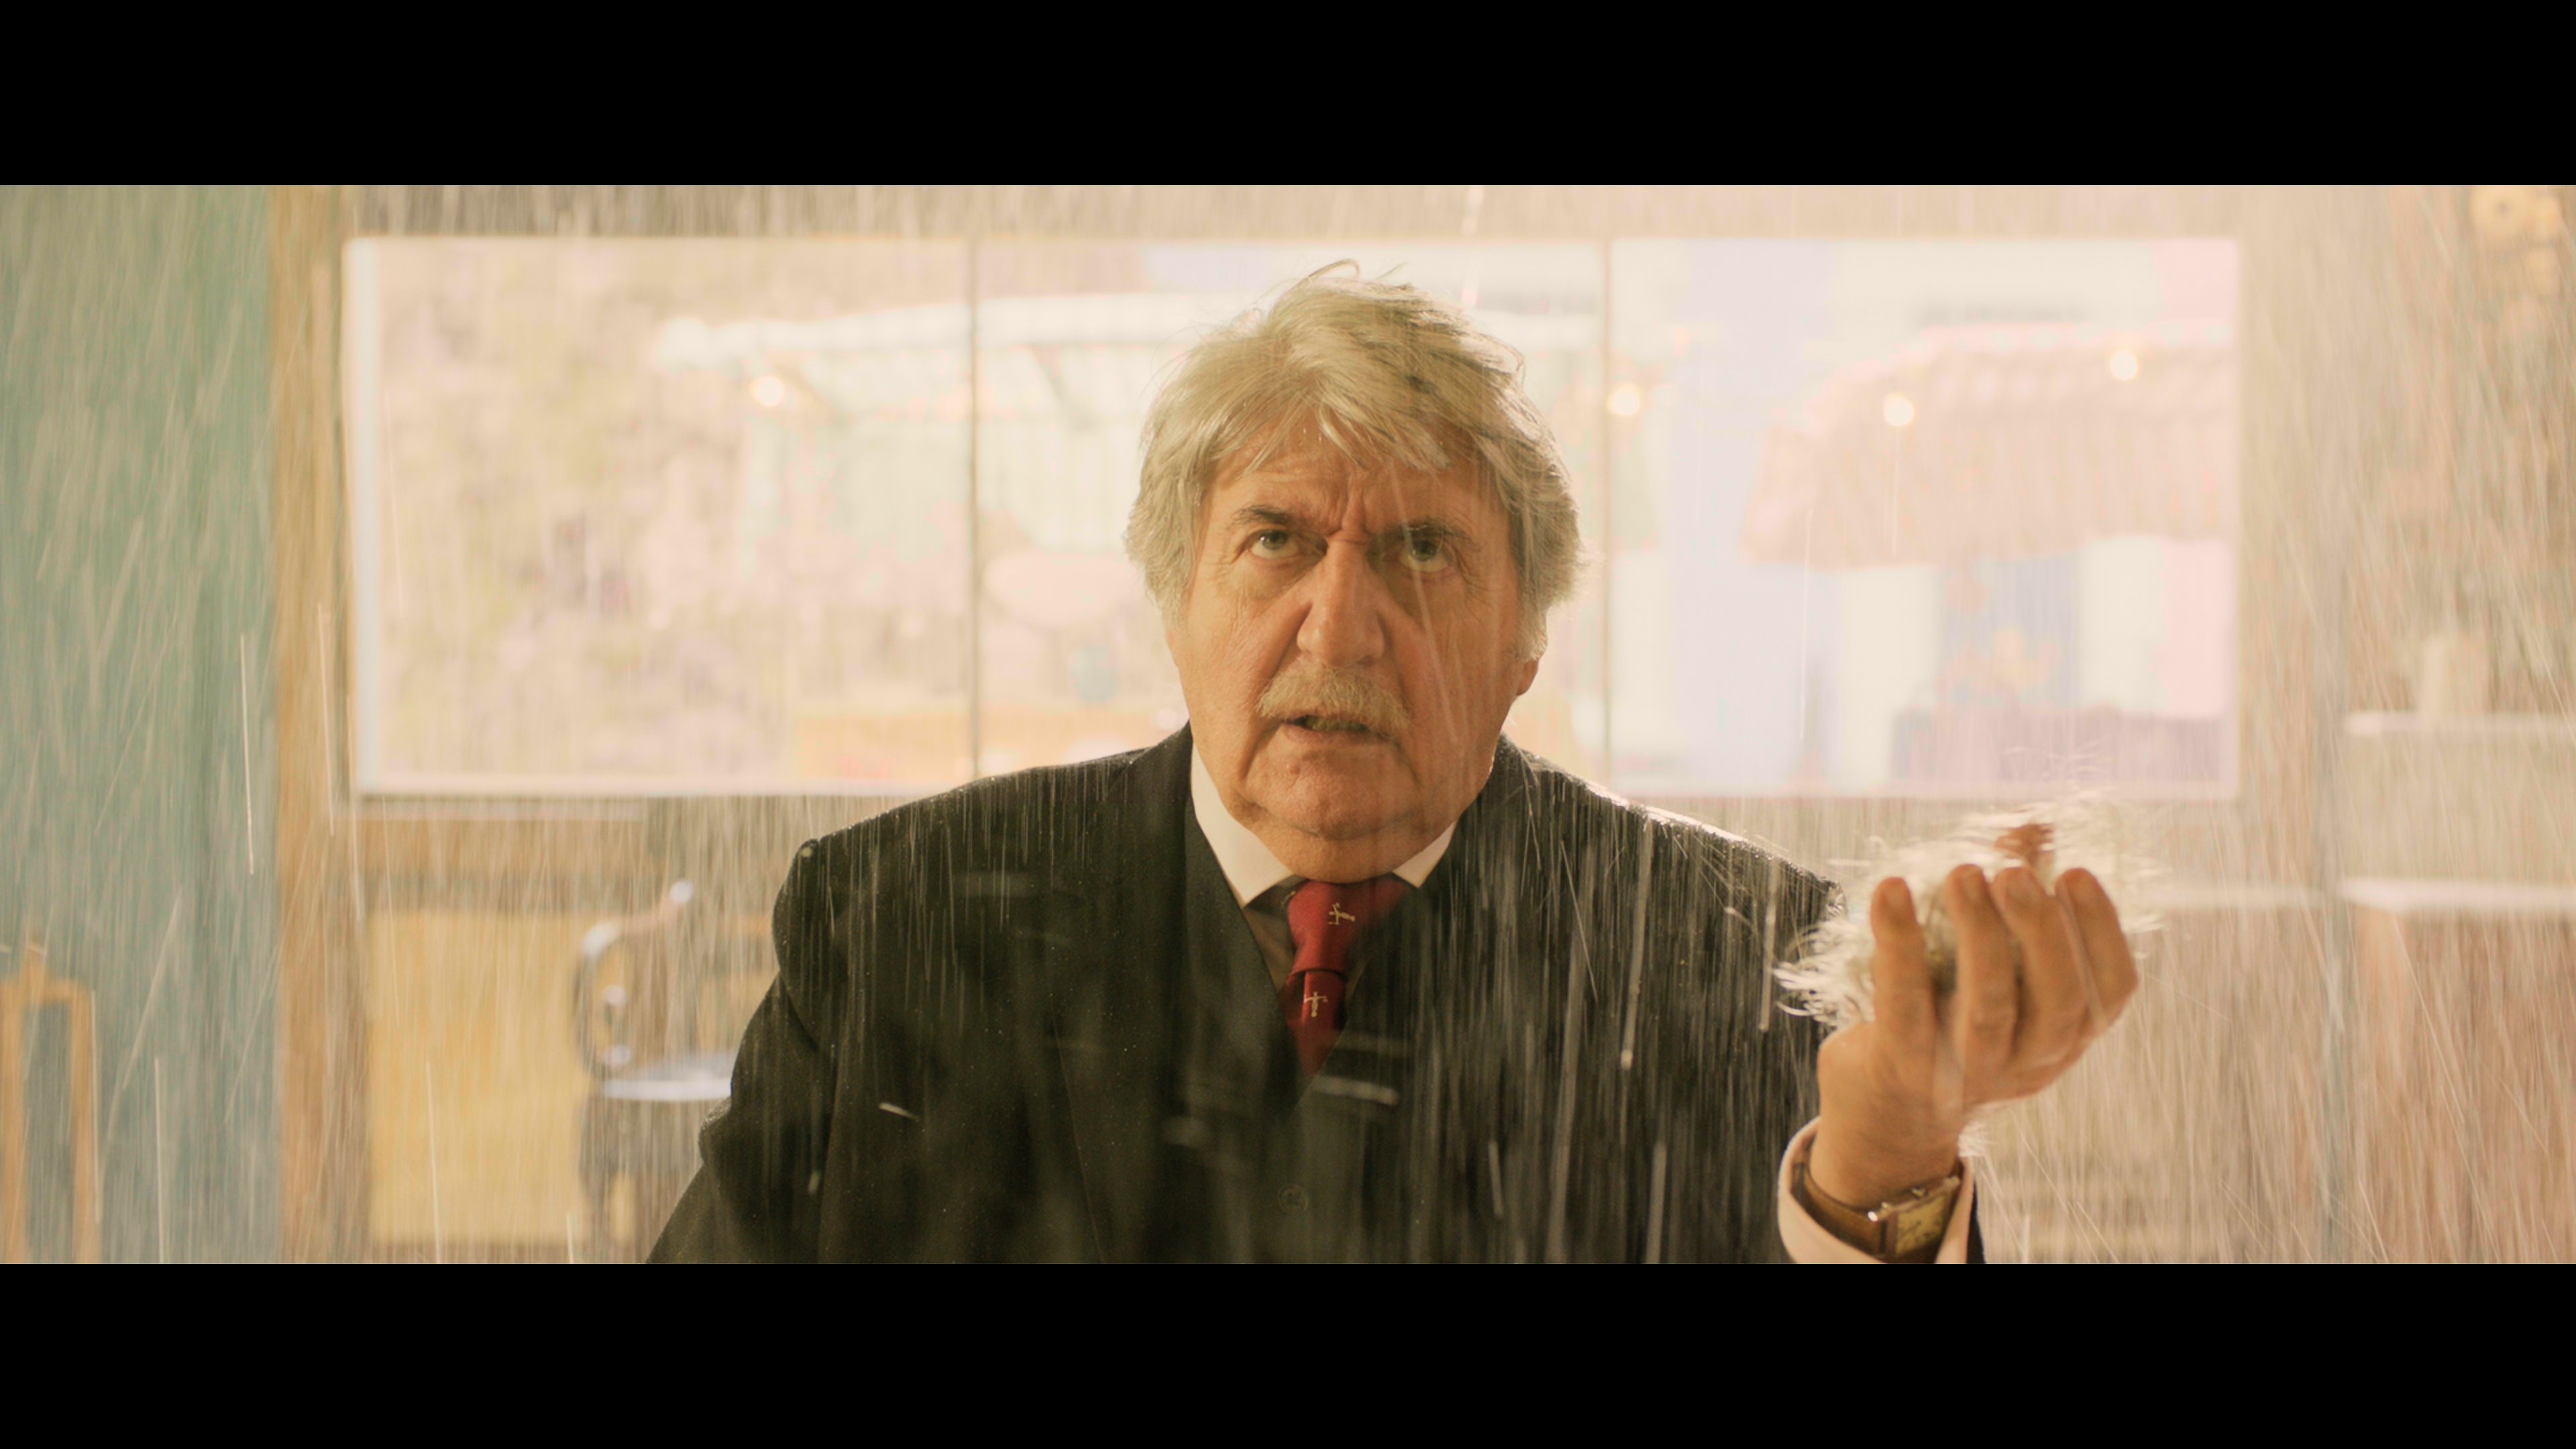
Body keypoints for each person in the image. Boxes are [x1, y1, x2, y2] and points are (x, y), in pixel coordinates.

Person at [651, 264, 2137, 1263]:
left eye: (1424, 552)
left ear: (1526, 645)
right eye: (1276, 541)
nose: (1340, 625)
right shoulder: (905, 919)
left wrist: (1881, 1174)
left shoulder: (1739, 955)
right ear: (1175, 600)